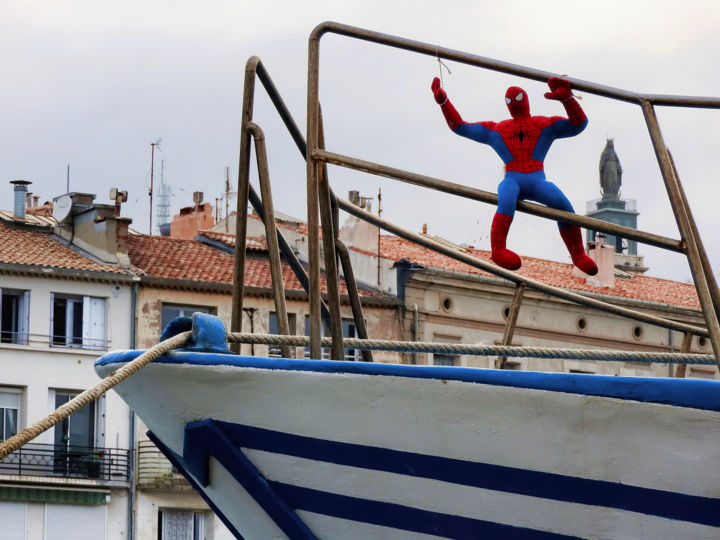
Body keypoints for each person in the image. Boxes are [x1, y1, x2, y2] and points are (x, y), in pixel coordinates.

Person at [431, 76, 598, 275]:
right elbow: (461, 127)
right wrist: (443, 102)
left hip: (527, 178)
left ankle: (577, 254)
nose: (513, 102)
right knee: (510, 198)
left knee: (562, 205)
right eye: (510, 100)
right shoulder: (522, 126)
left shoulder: (512, 127)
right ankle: (499, 250)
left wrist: (567, 99)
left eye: (516, 97)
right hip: (523, 179)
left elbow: (578, 124)